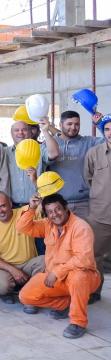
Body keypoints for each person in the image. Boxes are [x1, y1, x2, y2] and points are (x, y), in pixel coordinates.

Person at [17, 192, 101, 339]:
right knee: (26, 296)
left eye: (57, 209)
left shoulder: (81, 227)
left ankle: (78, 322)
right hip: (56, 279)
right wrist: (31, 207)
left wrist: (57, 272)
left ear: (66, 208)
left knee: (77, 277)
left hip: (84, 277)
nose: (54, 214)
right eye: (49, 212)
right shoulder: (47, 224)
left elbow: (84, 259)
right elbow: (22, 227)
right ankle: (64, 303)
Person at [0, 193, 45, 310]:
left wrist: (35, 181)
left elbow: (42, 204)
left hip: (28, 265)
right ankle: (8, 292)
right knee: (1, 286)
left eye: (3, 206)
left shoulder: (24, 212)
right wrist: (13, 270)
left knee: (45, 261)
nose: (0, 211)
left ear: (11, 204)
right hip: (6, 268)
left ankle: (31, 295)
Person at [42, 110, 104, 221]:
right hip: (58, 203)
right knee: (61, 237)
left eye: (77, 124)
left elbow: (108, 141)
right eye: (69, 124)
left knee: (86, 236)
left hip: (84, 202)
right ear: (61, 125)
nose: (74, 127)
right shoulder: (50, 143)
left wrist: (99, 124)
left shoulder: (88, 142)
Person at [83, 115, 111, 303]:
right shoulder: (94, 153)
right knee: (95, 257)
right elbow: (88, 178)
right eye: (107, 129)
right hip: (101, 215)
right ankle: (95, 291)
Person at [7, 118, 59, 208]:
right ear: (11, 134)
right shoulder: (5, 152)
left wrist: (45, 131)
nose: (20, 133)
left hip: (37, 204)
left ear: (29, 132)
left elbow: (54, 153)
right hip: (13, 207)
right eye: (16, 130)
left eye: (24, 130)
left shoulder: (39, 148)